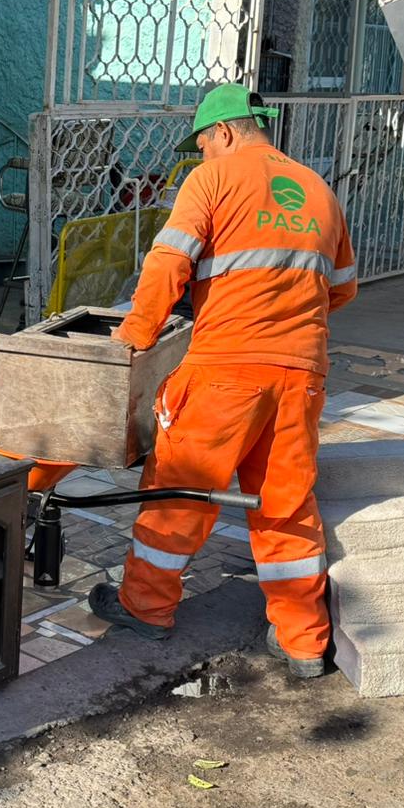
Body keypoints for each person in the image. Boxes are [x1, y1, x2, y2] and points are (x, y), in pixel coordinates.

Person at [89, 83, 358, 678]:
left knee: (180, 491)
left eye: (204, 143)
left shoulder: (212, 180)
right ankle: (304, 642)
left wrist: (135, 335)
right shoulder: (318, 189)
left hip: (225, 367)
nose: (203, 154)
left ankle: (145, 607)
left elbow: (168, 263)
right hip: (302, 374)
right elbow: (340, 287)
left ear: (226, 132)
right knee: (286, 505)